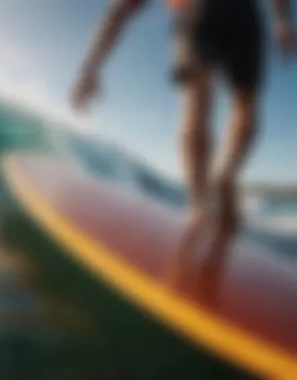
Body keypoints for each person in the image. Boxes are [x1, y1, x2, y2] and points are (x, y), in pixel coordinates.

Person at [70, 0, 296, 286]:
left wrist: (283, 20)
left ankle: (224, 176)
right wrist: (90, 68)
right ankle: (200, 201)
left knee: (244, 106)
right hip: (196, 14)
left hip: (240, 12)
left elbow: (119, 14)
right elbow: (120, 12)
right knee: (198, 99)